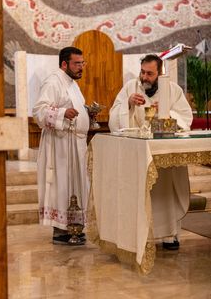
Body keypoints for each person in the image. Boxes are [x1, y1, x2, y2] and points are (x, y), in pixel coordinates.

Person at [109, 54, 193, 250]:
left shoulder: (172, 90)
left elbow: (185, 119)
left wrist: (165, 113)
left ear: (159, 73)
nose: (144, 77)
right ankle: (142, 236)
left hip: (164, 155)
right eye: (142, 72)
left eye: (149, 74)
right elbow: (115, 120)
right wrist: (128, 103)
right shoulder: (131, 87)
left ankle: (170, 236)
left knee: (166, 194)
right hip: (139, 155)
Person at [33, 46, 90, 244]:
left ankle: (73, 227)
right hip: (60, 147)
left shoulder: (72, 83)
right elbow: (39, 111)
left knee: (75, 187)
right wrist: (62, 114)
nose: (81, 67)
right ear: (64, 64)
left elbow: (73, 108)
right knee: (62, 187)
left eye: (82, 63)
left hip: (75, 145)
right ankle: (62, 231)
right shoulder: (53, 81)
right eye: (77, 63)